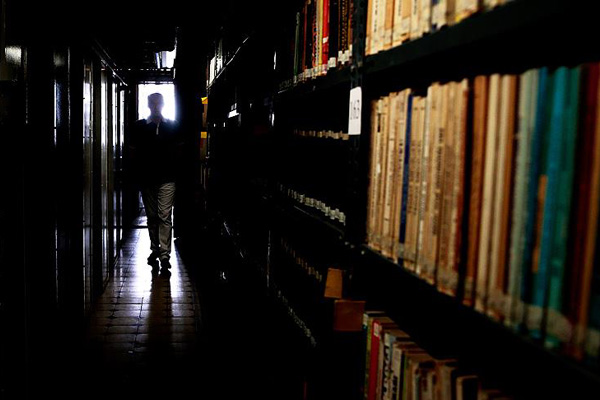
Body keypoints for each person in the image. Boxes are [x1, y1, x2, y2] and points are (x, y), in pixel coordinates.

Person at [128, 92, 184, 271]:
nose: (156, 106)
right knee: (153, 217)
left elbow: (179, 154)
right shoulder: (140, 127)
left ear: (163, 104)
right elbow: (133, 154)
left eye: (158, 103)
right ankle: (156, 249)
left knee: (164, 216)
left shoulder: (173, 126)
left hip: (167, 178)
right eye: (153, 103)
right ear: (148, 105)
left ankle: (164, 254)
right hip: (148, 179)